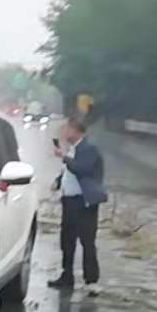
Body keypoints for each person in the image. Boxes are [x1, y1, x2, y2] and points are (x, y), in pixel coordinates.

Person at [48, 117, 107, 290]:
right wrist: (58, 182)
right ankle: (67, 276)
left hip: (84, 202)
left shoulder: (89, 149)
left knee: (87, 241)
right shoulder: (73, 149)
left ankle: (91, 280)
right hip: (69, 201)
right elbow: (69, 172)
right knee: (67, 240)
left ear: (76, 131)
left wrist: (64, 157)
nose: (64, 132)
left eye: (67, 129)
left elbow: (82, 169)